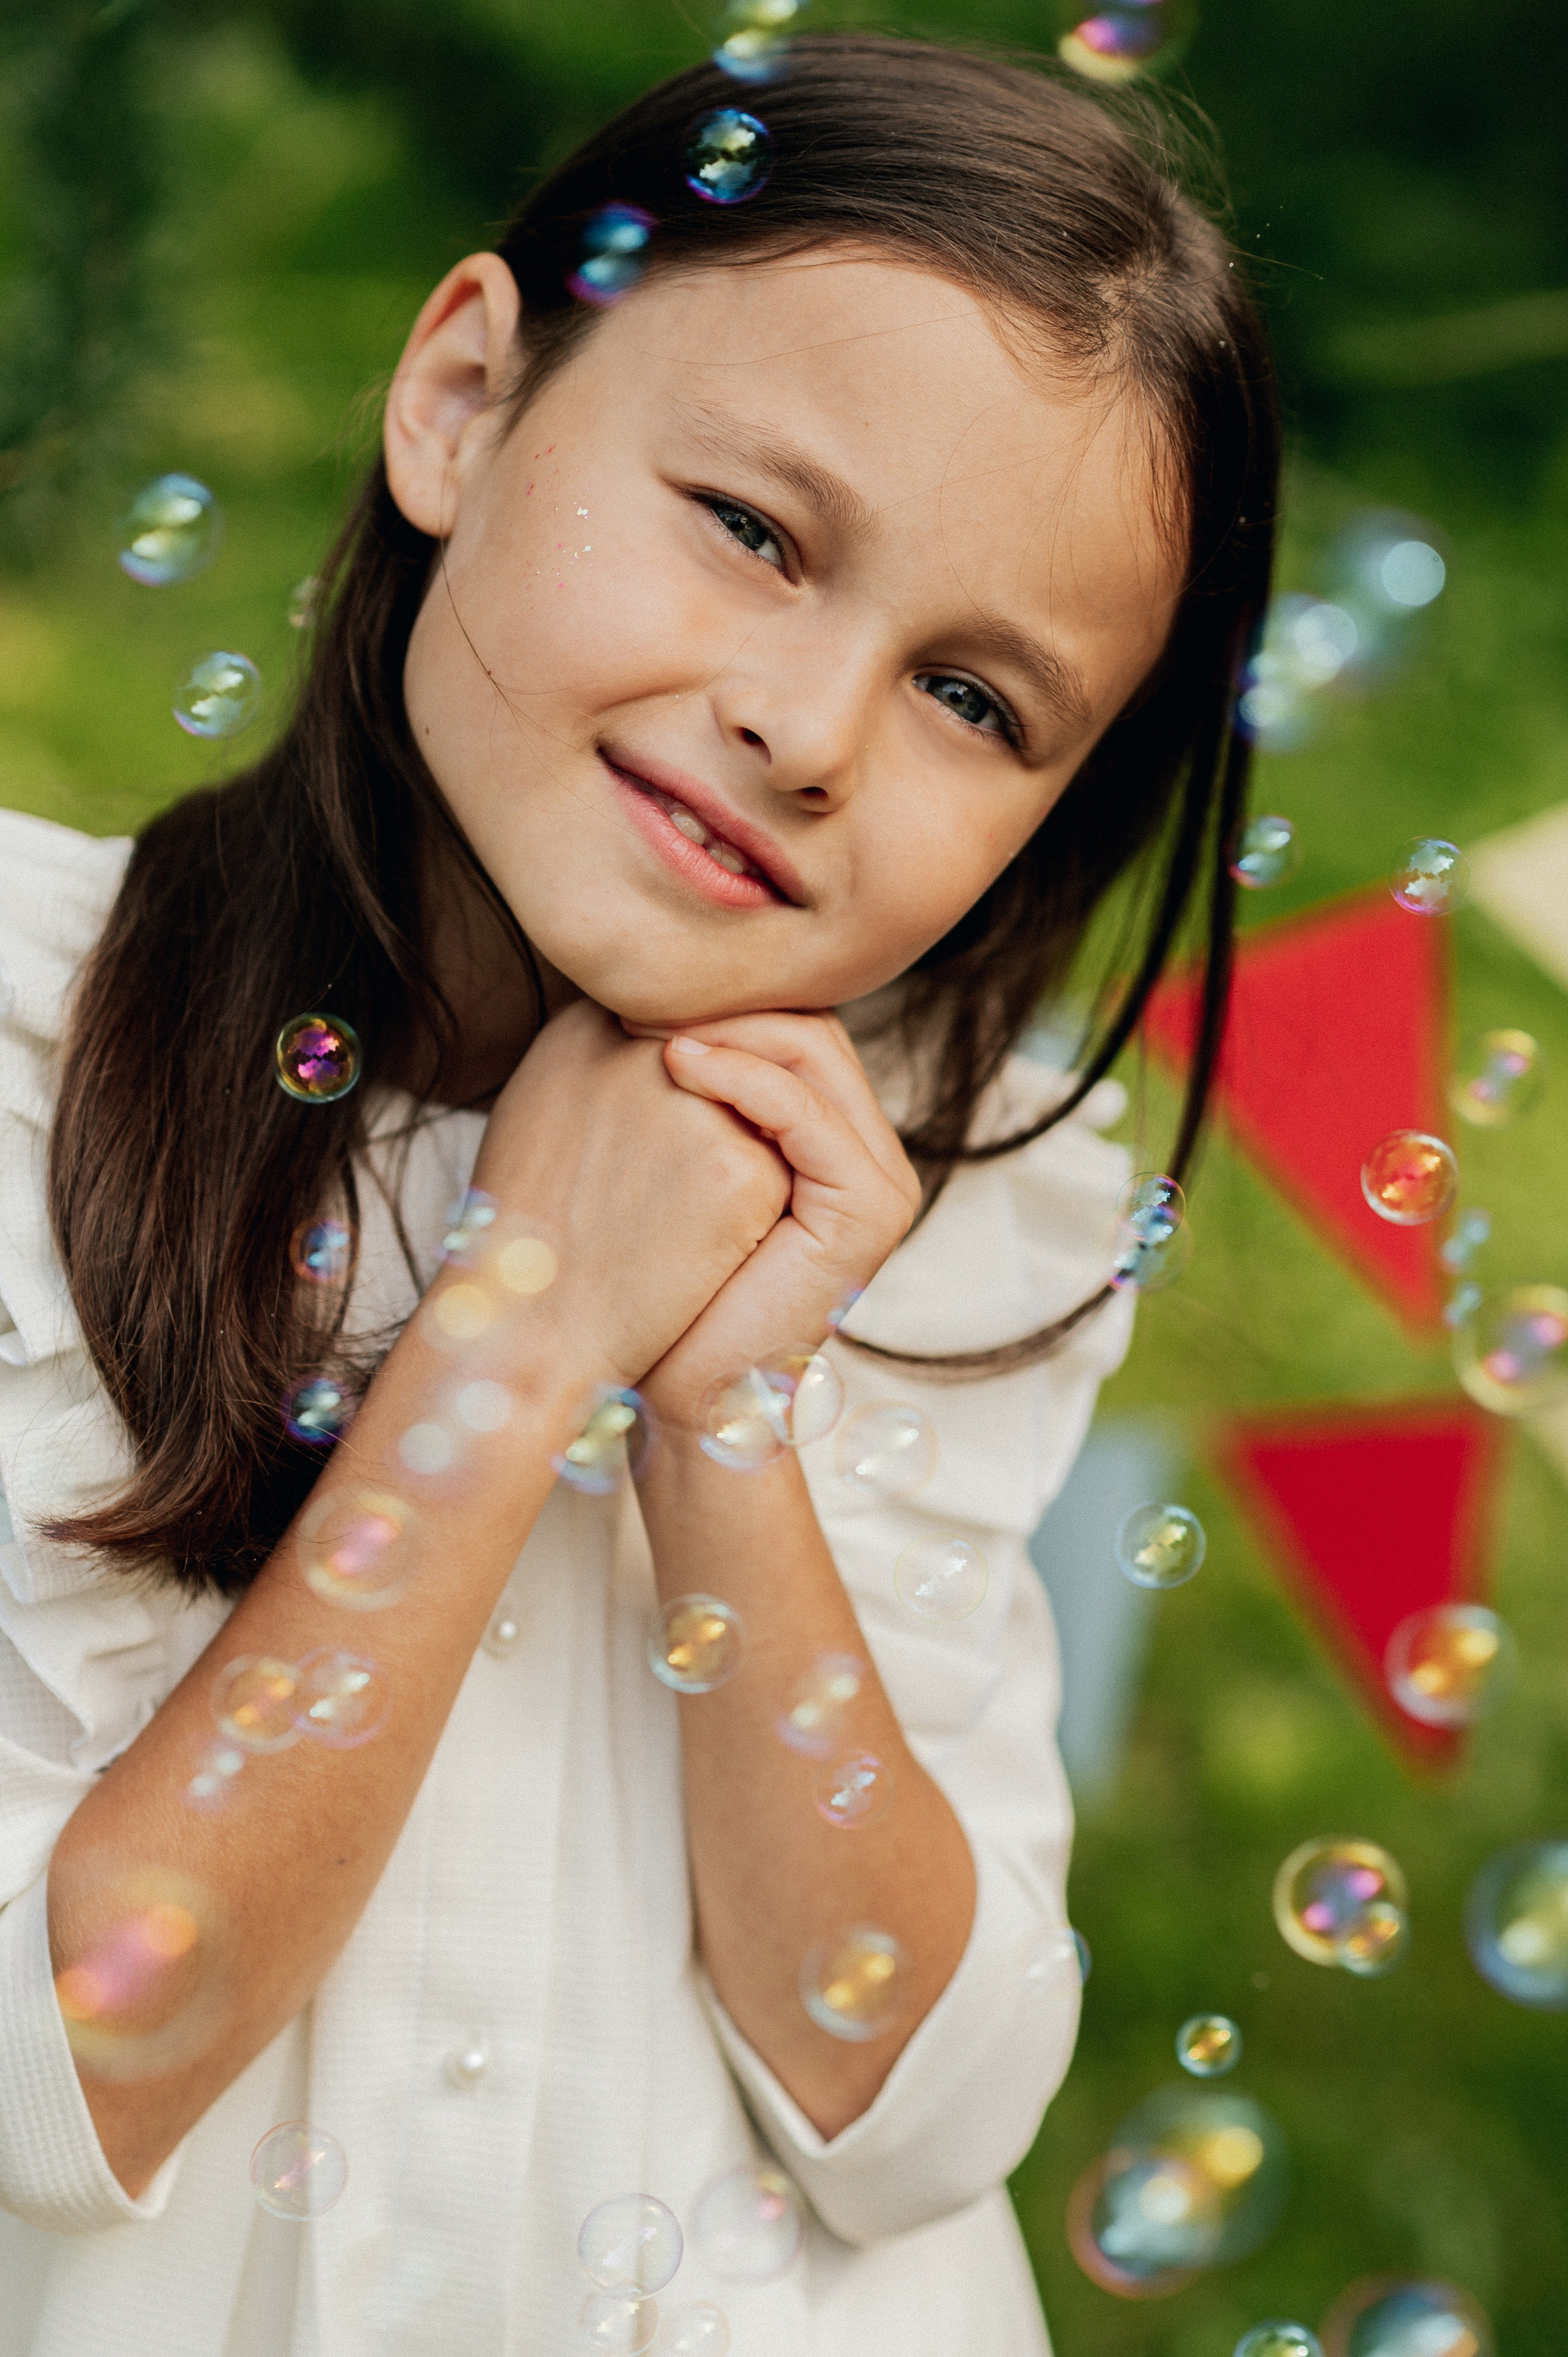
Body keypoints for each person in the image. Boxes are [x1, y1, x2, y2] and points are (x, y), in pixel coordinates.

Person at [0, 33, 1276, 2357]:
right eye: (760, 531)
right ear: (466, 398)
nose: (811, 725)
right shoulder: (22, 1049)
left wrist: (722, 1417)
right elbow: (69, 2053)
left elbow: (902, 2109)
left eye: (978, 700)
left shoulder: (957, 1228)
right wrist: (525, 1326)